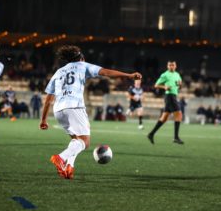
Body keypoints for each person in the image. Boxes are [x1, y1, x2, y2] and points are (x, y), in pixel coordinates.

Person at [39, 45, 141, 179]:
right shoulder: (82, 65)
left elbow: (48, 99)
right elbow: (106, 72)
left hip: (58, 109)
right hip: (74, 106)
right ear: (81, 57)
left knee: (76, 140)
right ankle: (61, 157)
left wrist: (43, 120)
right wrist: (128, 75)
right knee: (85, 142)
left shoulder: (59, 72)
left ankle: (69, 166)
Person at [147, 61, 184, 144]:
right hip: (169, 96)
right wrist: (164, 87)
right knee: (179, 115)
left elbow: (179, 86)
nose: (171, 66)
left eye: (173, 65)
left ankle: (151, 134)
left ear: (175, 66)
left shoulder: (177, 74)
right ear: (167, 66)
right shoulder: (165, 74)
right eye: (170, 65)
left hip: (173, 96)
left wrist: (180, 85)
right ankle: (176, 137)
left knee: (164, 118)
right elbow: (156, 85)